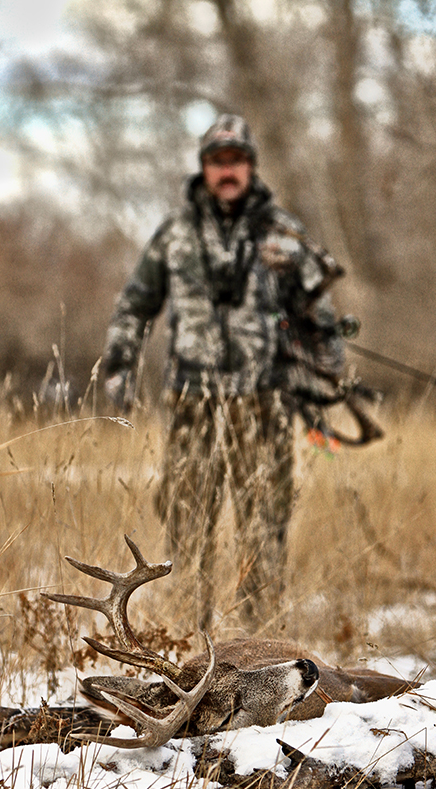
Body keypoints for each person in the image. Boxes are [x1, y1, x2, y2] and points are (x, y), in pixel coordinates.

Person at [103, 114, 345, 628]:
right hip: (193, 402)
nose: (227, 170)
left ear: (251, 166)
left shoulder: (285, 232)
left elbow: (319, 317)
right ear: (204, 169)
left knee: (265, 529)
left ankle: (262, 651)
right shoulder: (175, 233)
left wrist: (328, 380)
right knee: (187, 527)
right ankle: (190, 647)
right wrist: (119, 367)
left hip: (264, 402)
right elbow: (135, 305)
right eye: (217, 162)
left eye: (236, 160)